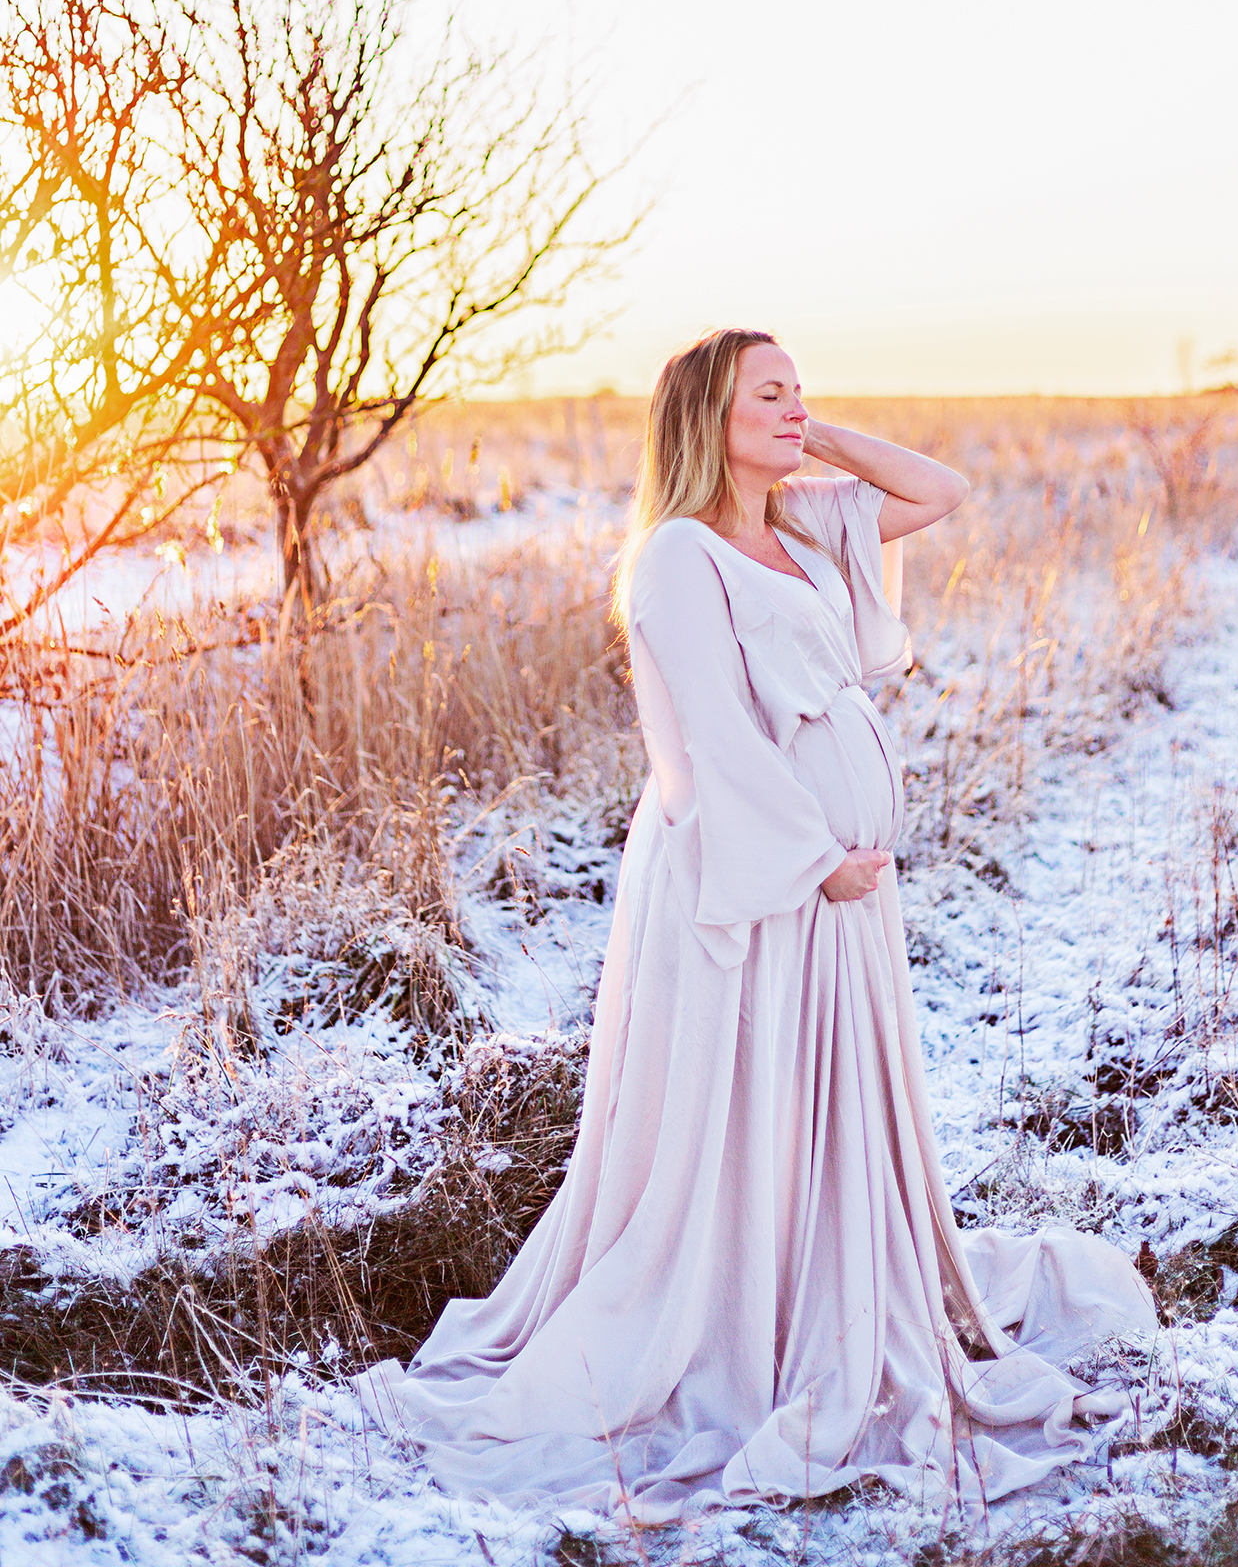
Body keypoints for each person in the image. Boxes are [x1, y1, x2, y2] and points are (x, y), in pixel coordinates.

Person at [356, 328, 1157, 1522]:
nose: (793, 408)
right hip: (757, 880)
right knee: (749, 1108)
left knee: (827, 1109)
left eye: (799, 391)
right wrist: (813, 858)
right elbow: (712, 742)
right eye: (767, 396)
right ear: (704, 417)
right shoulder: (676, 555)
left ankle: (817, 1290)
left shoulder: (811, 526)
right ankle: (736, 1319)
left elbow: (944, 489)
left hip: (843, 890)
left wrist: (815, 441)